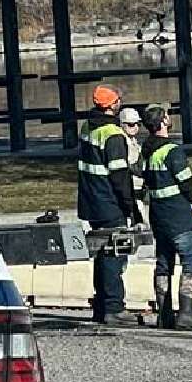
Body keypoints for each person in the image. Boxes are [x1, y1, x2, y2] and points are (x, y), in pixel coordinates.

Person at [140, 104, 192, 331]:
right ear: (162, 123)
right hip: (178, 215)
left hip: (159, 217)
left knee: (164, 263)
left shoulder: (147, 149)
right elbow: (186, 181)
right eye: (167, 116)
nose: (169, 119)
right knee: (190, 262)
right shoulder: (172, 151)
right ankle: (186, 314)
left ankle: (164, 314)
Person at [77, 84, 143, 325]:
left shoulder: (87, 127)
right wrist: (131, 209)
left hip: (90, 201)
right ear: (114, 105)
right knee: (114, 253)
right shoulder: (113, 134)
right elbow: (120, 177)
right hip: (109, 203)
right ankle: (114, 306)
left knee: (102, 254)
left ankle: (102, 304)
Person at [119, 107, 147, 223]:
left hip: (138, 191)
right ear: (122, 124)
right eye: (131, 124)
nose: (135, 127)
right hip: (131, 192)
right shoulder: (121, 141)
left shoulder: (133, 140)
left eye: (138, 124)